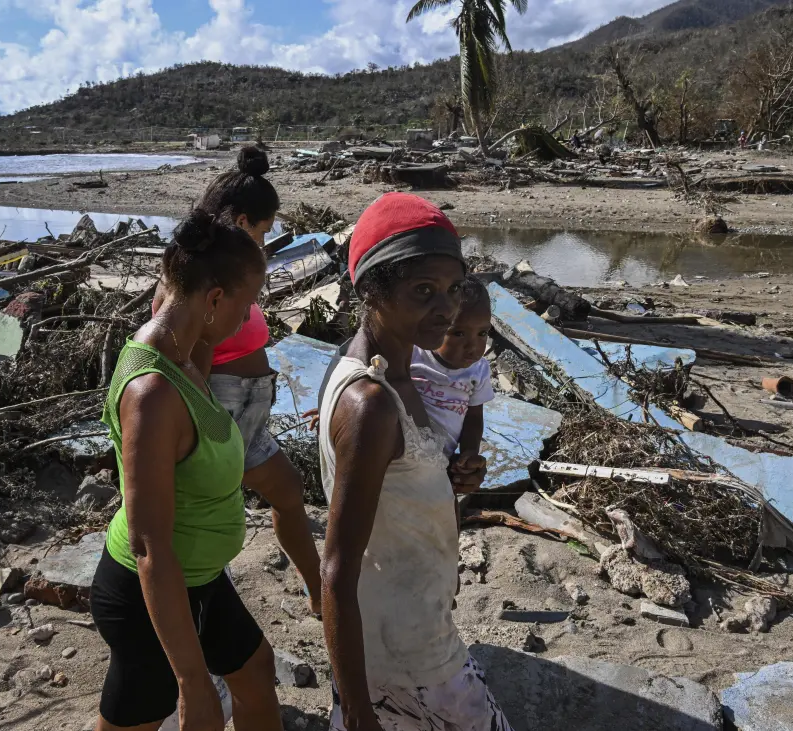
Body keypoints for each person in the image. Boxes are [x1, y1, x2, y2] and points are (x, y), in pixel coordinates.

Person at [318, 192, 511, 731]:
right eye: (422, 291)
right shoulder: (372, 403)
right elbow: (336, 567)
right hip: (403, 646)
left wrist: (456, 477)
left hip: (416, 614)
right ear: (371, 291)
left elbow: (400, 491)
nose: (446, 309)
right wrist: (356, 708)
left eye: (451, 290)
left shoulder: (401, 373)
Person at [90, 212, 283, 731]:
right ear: (215, 299)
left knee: (256, 673)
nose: (249, 320)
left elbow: (176, 294)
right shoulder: (152, 395)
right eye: (245, 305)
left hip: (200, 578)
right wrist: (193, 682)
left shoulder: (185, 347)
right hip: (150, 594)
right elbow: (149, 545)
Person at [193, 145, 323, 615]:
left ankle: (319, 595)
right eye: (264, 231)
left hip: (249, 417)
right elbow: (187, 353)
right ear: (242, 220)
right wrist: (201, 427)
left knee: (287, 491)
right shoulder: (193, 276)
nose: (265, 242)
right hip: (220, 415)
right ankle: (206, 610)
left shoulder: (231, 271)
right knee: (211, 518)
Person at [409, 275, 494, 460]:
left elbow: (473, 418)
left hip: (441, 461)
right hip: (404, 454)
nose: (472, 346)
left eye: (482, 333)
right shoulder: (414, 355)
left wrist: (469, 453)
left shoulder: (478, 371)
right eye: (459, 333)